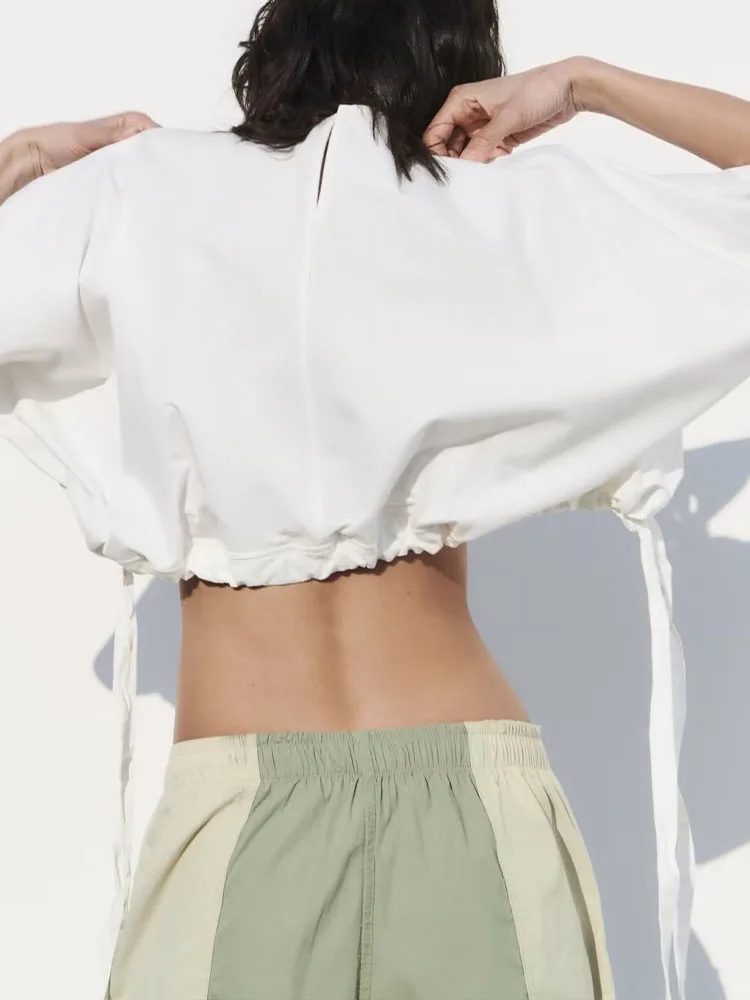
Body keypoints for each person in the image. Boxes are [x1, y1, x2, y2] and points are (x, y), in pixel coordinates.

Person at [2, 3, 750, 999]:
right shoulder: (489, 210)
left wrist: (25, 156)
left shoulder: (141, 196)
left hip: (240, 807)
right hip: (481, 803)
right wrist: (583, 84)